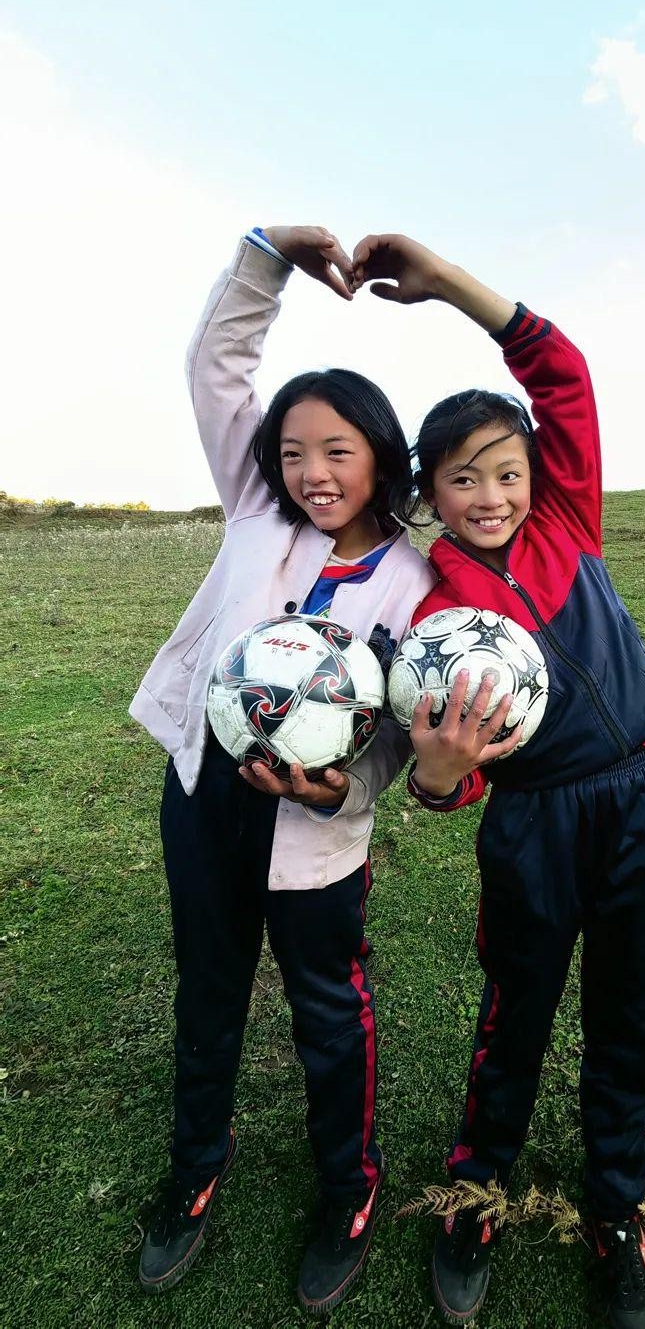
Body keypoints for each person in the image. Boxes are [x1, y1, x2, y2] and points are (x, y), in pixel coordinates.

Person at [350, 233, 645, 1328]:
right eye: (464, 479)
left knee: (630, 1012)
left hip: (642, 801)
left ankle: (617, 1209)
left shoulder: (569, 522)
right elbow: (448, 777)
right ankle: (478, 1190)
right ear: (431, 495)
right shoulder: (433, 611)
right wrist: (439, 780)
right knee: (517, 1015)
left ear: (537, 475)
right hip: (534, 826)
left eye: (507, 471)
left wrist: (449, 285)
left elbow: (563, 375)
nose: (491, 495)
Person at [129, 224, 434, 1315]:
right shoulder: (258, 513)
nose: (312, 473)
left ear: (380, 456)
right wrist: (265, 259)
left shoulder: (411, 582)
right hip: (207, 795)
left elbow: (395, 731)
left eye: (337, 451)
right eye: (295, 451)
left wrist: (342, 789)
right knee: (208, 992)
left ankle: (349, 1190)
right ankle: (194, 1173)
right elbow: (217, 368)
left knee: (327, 1011)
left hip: (315, 825)